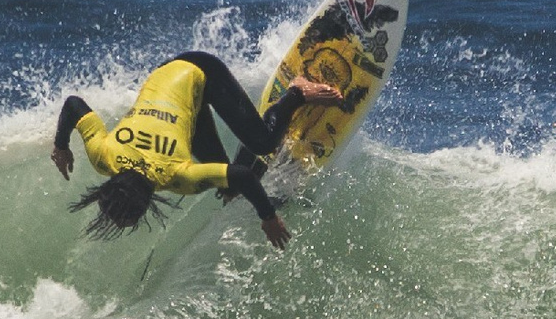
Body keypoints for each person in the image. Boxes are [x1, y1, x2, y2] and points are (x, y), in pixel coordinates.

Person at [50, 50, 343, 249]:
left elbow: (243, 175)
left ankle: (298, 92)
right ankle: (263, 140)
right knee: (228, 185)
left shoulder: (177, 176)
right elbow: (74, 104)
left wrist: (268, 218)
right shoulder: (104, 156)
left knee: (262, 143)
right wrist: (61, 146)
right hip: (167, 79)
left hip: (199, 71)